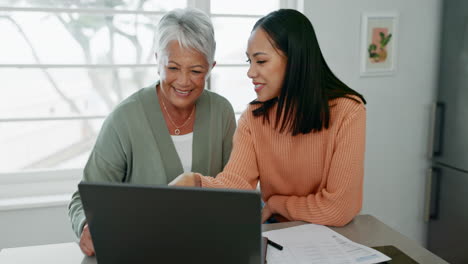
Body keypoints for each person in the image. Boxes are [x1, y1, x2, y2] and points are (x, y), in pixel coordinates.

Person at [170, 9, 367, 227]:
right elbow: (238, 184)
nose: (250, 72)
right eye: (249, 61)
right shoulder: (254, 118)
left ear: (295, 60)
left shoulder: (348, 111)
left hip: (332, 238)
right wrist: (196, 182)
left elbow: (339, 209)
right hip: (277, 234)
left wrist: (277, 204)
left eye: (261, 61)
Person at [68, 8, 236, 256]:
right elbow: (82, 200)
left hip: (206, 250)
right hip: (139, 252)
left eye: (196, 71)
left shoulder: (221, 112)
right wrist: (87, 225)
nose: (183, 81)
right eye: (173, 67)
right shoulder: (125, 118)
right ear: (157, 60)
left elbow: (235, 189)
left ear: (211, 67)